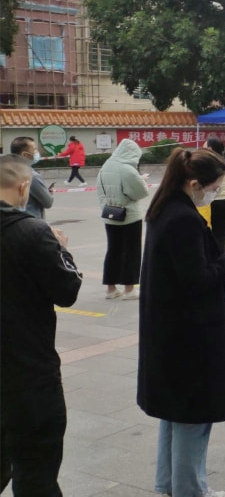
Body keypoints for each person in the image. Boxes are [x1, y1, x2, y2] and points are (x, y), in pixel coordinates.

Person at [138, 147, 225, 497]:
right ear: (194, 183)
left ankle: (168, 487)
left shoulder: (165, 209)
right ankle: (190, 490)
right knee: (193, 417)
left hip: (170, 331)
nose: (215, 192)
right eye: (215, 186)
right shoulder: (183, 219)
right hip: (190, 335)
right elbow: (199, 280)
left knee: (174, 415)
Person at [0, 154, 82, 495]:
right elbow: (68, 290)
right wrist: (61, 248)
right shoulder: (33, 232)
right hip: (28, 374)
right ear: (23, 188)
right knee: (37, 471)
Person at [96, 138, 149, 300]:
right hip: (130, 216)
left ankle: (111, 289)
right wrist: (142, 181)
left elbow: (100, 191)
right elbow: (139, 192)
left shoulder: (105, 166)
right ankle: (129, 289)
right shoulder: (127, 169)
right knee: (131, 252)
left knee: (113, 250)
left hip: (110, 214)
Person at [198, 137, 225, 254]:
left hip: (206, 203)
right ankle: (220, 259)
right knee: (222, 236)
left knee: (206, 234)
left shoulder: (203, 164)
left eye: (204, 146)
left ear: (210, 148)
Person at [8, 136, 53, 219]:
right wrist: (48, 193)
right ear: (25, 154)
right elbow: (48, 202)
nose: (37, 152)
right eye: (34, 149)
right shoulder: (32, 176)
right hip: (31, 224)